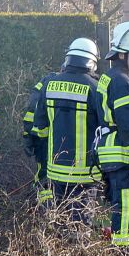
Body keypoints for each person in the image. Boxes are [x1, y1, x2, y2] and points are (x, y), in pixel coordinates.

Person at [30, 38, 103, 222]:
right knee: (80, 221)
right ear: (92, 62)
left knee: (60, 219)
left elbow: (39, 128)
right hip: (84, 172)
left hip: (55, 169)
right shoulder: (96, 88)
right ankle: (78, 249)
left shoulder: (49, 84)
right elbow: (104, 128)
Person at [94, 22, 129, 247]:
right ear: (122, 54)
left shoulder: (111, 76)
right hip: (121, 151)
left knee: (121, 205)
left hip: (111, 151)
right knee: (127, 206)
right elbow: (128, 123)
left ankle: (122, 255)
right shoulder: (121, 81)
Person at [22, 78, 53, 206]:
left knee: (43, 174)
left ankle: (45, 211)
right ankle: (47, 210)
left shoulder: (46, 81)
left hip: (42, 138)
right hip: (54, 140)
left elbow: (31, 110)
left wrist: (28, 135)